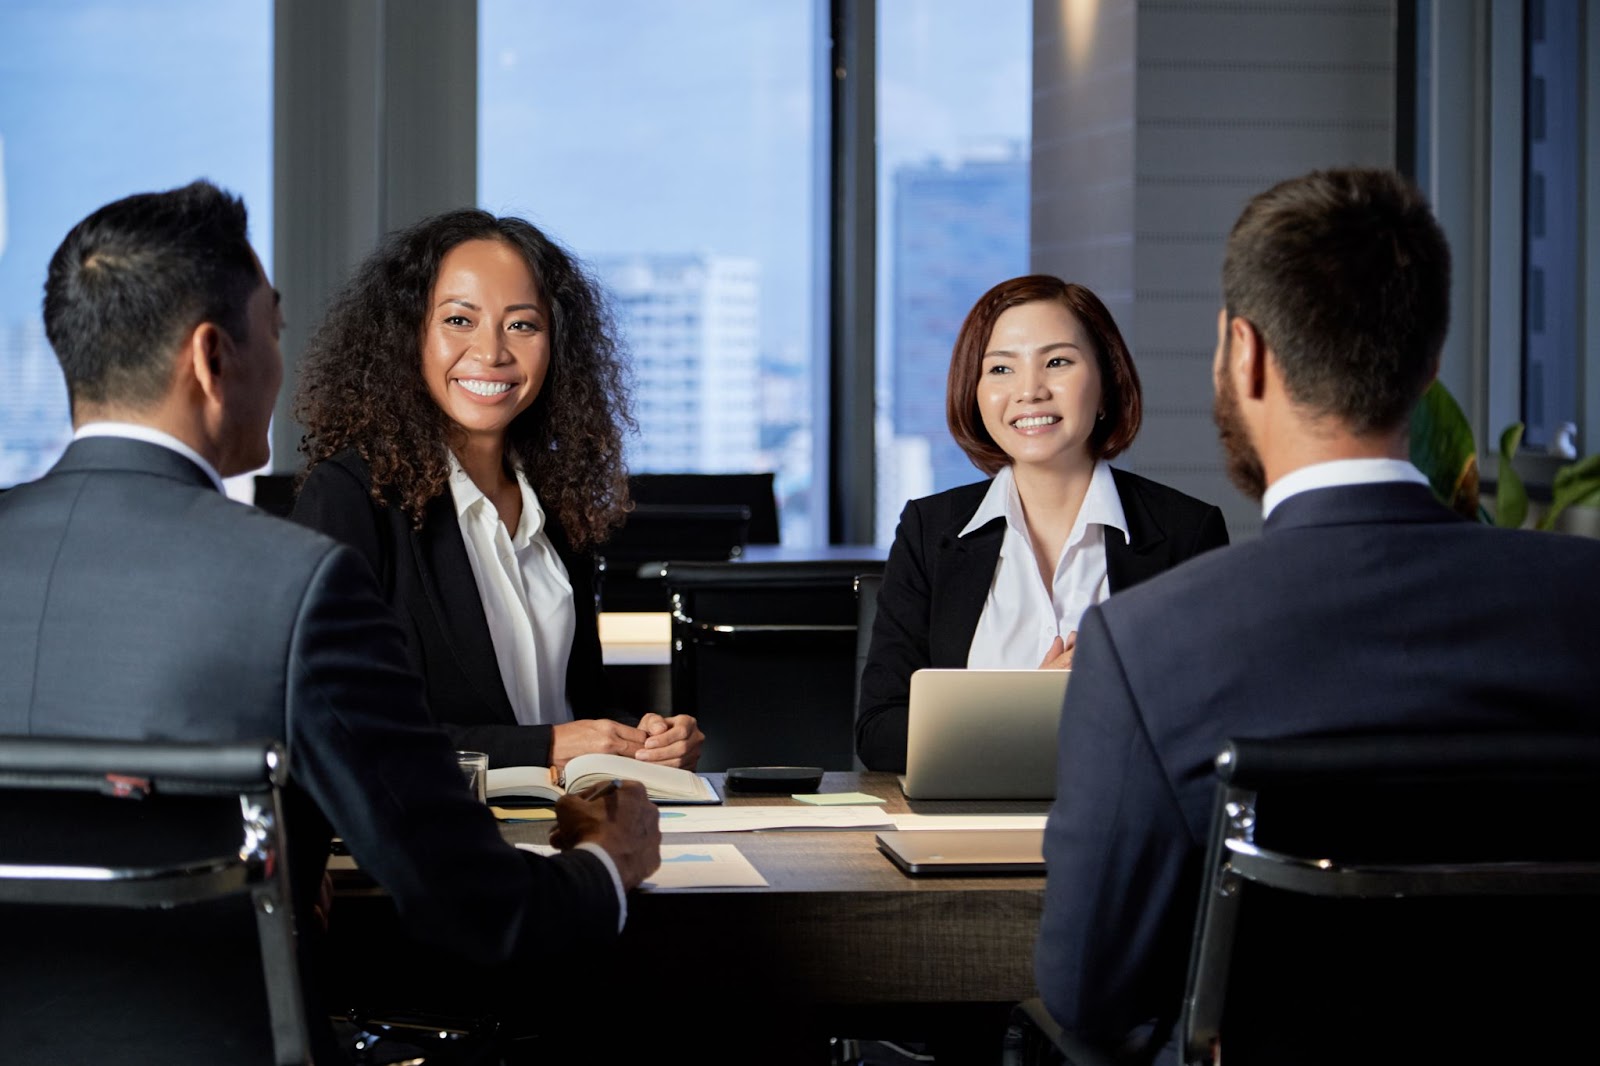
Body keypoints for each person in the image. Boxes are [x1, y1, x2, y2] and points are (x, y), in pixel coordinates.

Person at [0, 181, 661, 1058]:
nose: (284, 355)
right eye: (273, 326)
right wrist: (604, 866)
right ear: (211, 358)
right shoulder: (296, 582)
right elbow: (472, 906)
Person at [1033, 167, 1600, 1061]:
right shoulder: (1584, 602)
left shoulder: (1147, 644)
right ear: (1429, 365)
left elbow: (1088, 994)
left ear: (1243, 354)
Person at [290, 209, 703, 771]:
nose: (492, 353)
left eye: (521, 325)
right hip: (444, 838)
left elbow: (571, 703)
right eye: (459, 321)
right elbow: (337, 726)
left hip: (568, 832)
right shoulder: (349, 497)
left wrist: (643, 738)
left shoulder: (557, 504)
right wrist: (548, 747)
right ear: (408, 335)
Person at [856, 276, 1229, 772]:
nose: (1029, 391)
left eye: (1057, 362)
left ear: (1106, 384)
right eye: (1001, 369)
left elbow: (1208, 727)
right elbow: (878, 733)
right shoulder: (930, 530)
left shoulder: (1186, 532)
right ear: (976, 392)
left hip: (1124, 835)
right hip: (959, 834)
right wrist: (1035, 704)